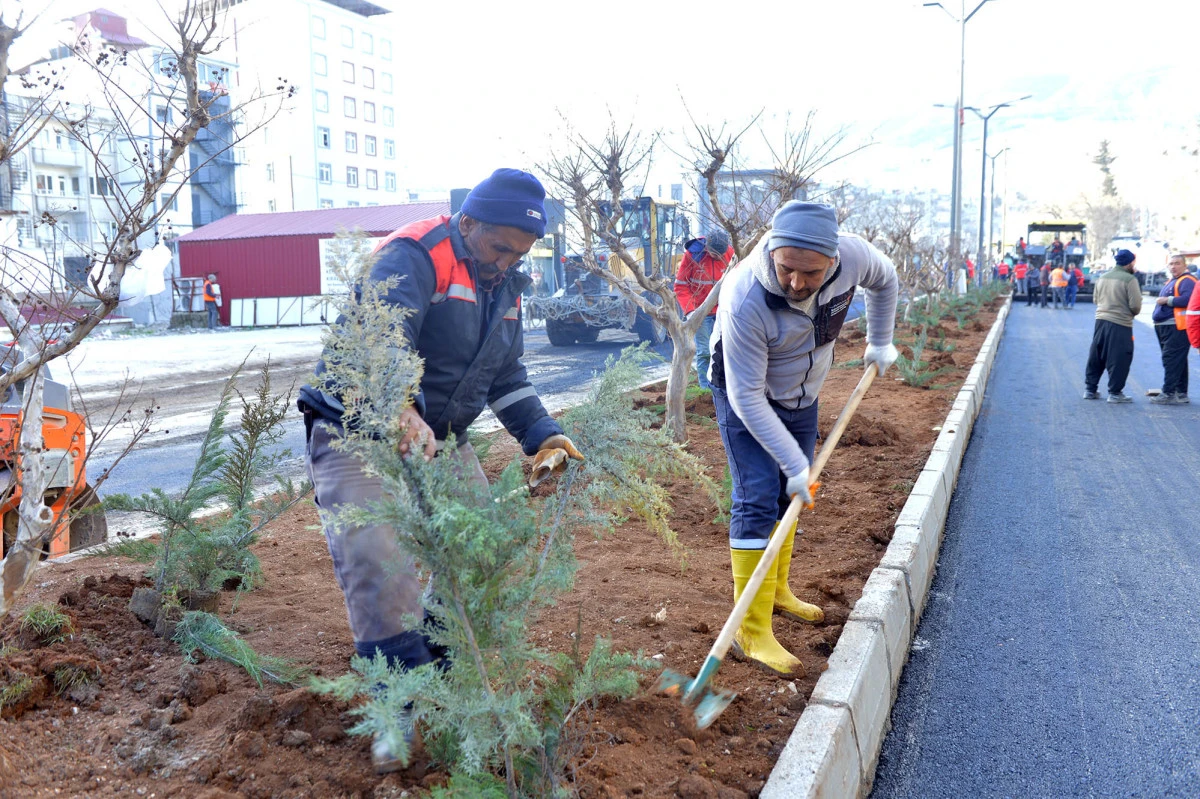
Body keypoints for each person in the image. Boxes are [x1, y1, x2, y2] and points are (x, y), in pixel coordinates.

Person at [297, 169, 583, 771]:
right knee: (382, 565)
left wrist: (541, 434)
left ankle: (441, 670)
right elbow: (379, 342)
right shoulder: (414, 255)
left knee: (479, 550)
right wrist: (399, 405)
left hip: (440, 439)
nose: (507, 261)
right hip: (360, 433)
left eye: (521, 252)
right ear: (468, 223)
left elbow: (505, 376)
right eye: (499, 246)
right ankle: (395, 710)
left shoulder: (504, 286)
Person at [709, 201, 898, 675]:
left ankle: (775, 591)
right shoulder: (745, 297)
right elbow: (747, 395)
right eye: (786, 268)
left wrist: (880, 339)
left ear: (833, 261)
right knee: (757, 496)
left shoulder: (854, 257)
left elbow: (886, 279)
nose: (795, 283)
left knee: (786, 497)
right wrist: (795, 465)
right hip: (745, 393)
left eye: (810, 273)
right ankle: (750, 631)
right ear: (772, 251)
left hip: (803, 392)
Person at [674, 230, 734, 390]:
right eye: (714, 254)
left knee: (726, 350)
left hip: (724, 311)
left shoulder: (731, 254)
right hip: (701, 313)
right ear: (707, 247)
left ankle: (724, 387)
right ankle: (705, 390)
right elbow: (680, 285)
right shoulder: (693, 255)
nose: (717, 257)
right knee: (704, 352)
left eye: (720, 254)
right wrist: (691, 311)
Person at [1084, 249, 1143, 403]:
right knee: (1120, 357)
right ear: (1130, 262)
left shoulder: (1102, 277)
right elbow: (1136, 306)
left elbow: (1096, 300)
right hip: (1121, 323)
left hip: (1100, 321)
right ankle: (1115, 393)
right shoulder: (1130, 280)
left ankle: (1090, 390)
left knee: (1097, 355)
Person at [1149, 253, 1197, 404]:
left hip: (1177, 326)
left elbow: (1189, 299)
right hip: (1167, 325)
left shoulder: (1187, 280)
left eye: (1177, 263)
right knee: (1178, 360)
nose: (1173, 266)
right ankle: (1181, 393)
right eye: (1171, 264)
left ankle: (1169, 393)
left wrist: (1166, 300)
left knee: (1171, 359)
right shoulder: (1173, 280)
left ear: (1185, 266)